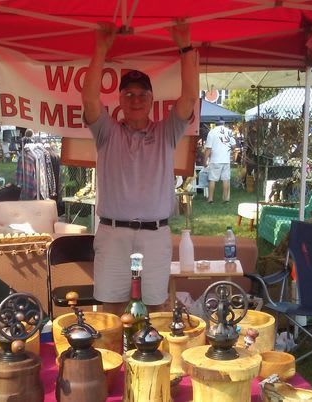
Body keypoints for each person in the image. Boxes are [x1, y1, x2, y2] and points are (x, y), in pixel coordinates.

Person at [82, 21, 198, 313]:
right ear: (119, 100)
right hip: (113, 234)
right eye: (129, 94)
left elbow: (188, 99)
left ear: (151, 100)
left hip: (155, 236)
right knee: (112, 311)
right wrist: (100, 49)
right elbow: (89, 99)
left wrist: (185, 46)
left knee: (157, 309)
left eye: (142, 94)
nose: (135, 99)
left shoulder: (166, 132)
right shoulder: (107, 132)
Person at [204, 118, 236, 203]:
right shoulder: (229, 131)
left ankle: (210, 199)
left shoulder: (212, 132)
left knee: (212, 179)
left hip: (215, 159)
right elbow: (233, 146)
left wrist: (205, 160)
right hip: (226, 159)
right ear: (224, 123)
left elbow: (208, 149)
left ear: (215, 124)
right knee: (226, 179)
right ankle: (225, 199)